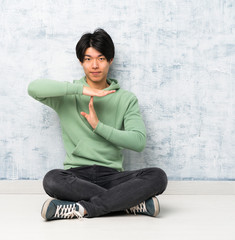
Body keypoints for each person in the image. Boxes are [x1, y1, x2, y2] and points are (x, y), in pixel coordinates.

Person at [27, 28, 168, 220]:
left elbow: (138, 141)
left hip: (113, 177)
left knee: (157, 176)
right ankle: (127, 203)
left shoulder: (126, 99)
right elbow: (33, 88)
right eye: (88, 59)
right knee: (52, 179)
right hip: (76, 177)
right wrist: (82, 91)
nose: (94, 65)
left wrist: (98, 126)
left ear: (110, 60)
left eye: (101, 58)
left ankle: (83, 209)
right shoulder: (67, 97)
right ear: (81, 62)